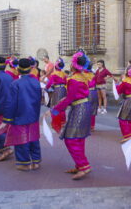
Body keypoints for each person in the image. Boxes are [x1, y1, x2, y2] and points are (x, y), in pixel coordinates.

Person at [46, 52, 92, 180]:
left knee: (71, 139)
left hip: (79, 109)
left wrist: (54, 111)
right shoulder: (83, 76)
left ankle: (84, 166)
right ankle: (79, 165)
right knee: (79, 138)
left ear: (73, 64)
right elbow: (72, 96)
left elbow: (70, 98)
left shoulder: (73, 79)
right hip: (84, 107)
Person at [0, 58, 42, 171]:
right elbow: (39, 100)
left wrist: (7, 119)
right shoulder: (36, 82)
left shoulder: (15, 84)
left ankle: (24, 163)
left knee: (21, 139)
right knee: (33, 137)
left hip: (20, 115)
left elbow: (11, 103)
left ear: (18, 70)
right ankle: (36, 161)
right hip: (33, 114)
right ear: (31, 69)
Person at [116, 64, 131, 142]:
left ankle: (127, 135)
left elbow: (118, 91)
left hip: (129, 99)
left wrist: (116, 84)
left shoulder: (126, 81)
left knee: (122, 118)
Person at [45, 58, 67, 133]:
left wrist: (46, 88)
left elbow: (50, 82)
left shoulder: (54, 74)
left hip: (57, 90)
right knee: (62, 105)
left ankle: (56, 122)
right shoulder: (64, 74)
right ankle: (63, 121)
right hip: (64, 89)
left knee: (55, 105)